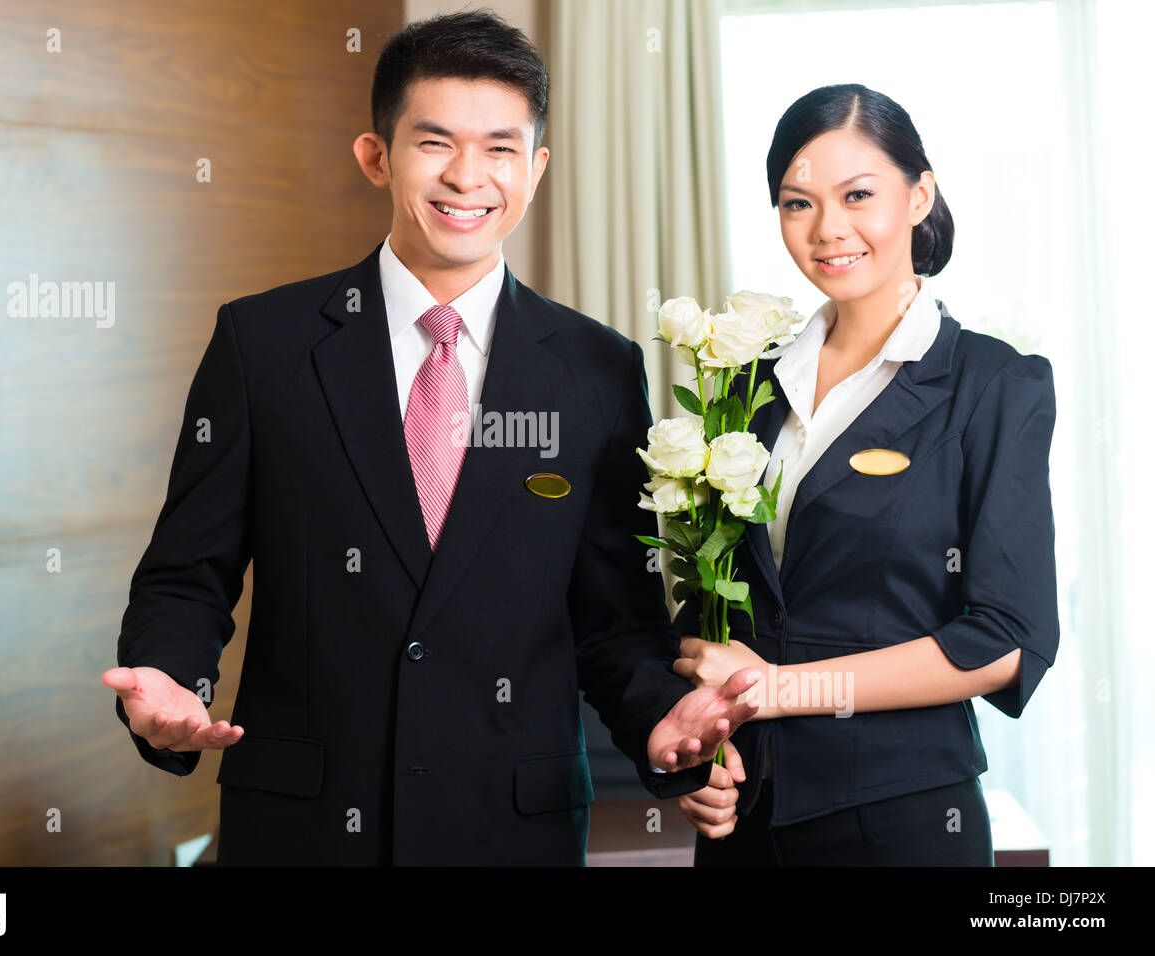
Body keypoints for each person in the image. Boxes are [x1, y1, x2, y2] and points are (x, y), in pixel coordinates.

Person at [101, 9, 760, 866]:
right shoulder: (264, 344)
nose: (468, 177)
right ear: (377, 156)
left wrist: (657, 718)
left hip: (509, 831)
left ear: (537, 168)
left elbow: (612, 620)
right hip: (303, 830)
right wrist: (167, 683)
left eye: (500, 148)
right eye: (435, 142)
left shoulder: (597, 369)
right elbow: (188, 574)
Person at [673, 83, 1059, 865]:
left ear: (919, 196)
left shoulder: (991, 384)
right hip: (745, 815)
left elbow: (1005, 641)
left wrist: (783, 689)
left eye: (858, 195)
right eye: (797, 203)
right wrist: (693, 742)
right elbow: (719, 600)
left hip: (901, 821)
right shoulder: (745, 383)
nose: (828, 230)